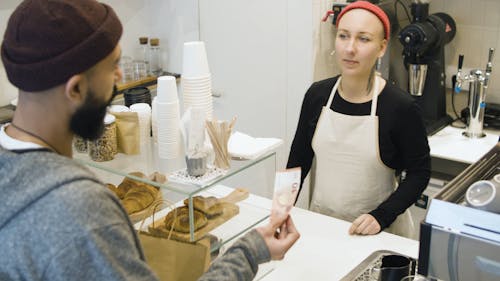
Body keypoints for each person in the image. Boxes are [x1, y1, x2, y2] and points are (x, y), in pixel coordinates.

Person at [0, 1, 299, 280]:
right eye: (112, 67)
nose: (120, 76)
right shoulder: (82, 210)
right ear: (75, 89)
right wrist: (250, 251)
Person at [287, 1, 430, 238]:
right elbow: (298, 161)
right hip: (323, 225)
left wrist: (381, 216)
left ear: (382, 47)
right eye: (343, 36)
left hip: (378, 234)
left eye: (363, 39)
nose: (350, 48)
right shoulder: (317, 95)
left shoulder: (400, 107)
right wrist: (279, 212)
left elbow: (419, 173)